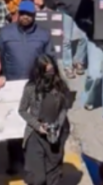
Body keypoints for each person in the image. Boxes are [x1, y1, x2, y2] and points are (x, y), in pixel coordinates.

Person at [19, 54, 72, 185]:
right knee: (38, 179)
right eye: (47, 71)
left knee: (53, 178)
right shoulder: (30, 88)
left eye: (52, 71)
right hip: (36, 137)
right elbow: (22, 110)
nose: (50, 74)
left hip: (55, 136)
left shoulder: (60, 85)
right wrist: (37, 126)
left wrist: (57, 126)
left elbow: (64, 108)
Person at [0, 0, 53, 81]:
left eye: (29, 14)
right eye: (23, 13)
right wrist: (1, 75)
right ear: (18, 14)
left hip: (35, 83)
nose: (25, 16)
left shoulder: (44, 34)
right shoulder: (5, 32)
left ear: (34, 15)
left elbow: (50, 58)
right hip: (11, 83)